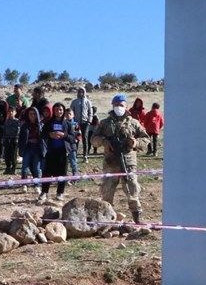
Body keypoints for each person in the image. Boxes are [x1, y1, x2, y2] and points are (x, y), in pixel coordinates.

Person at [92, 94, 149, 224]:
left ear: (126, 106)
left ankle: (137, 217)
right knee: (107, 191)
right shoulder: (105, 123)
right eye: (116, 105)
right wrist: (104, 142)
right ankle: (106, 219)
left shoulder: (134, 123)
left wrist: (135, 143)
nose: (119, 107)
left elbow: (146, 139)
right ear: (112, 106)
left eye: (121, 105)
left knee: (132, 189)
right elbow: (93, 140)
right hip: (110, 162)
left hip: (128, 162)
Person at [40, 103, 74, 202]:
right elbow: (42, 134)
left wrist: (64, 135)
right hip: (51, 151)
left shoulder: (67, 123)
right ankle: (44, 192)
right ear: (53, 111)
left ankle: (60, 193)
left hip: (63, 152)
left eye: (60, 110)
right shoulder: (49, 123)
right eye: (56, 110)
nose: (58, 112)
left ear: (63, 111)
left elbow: (72, 138)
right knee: (46, 173)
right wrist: (50, 134)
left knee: (62, 173)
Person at [19, 106, 44, 182]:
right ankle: (24, 184)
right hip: (27, 148)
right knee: (25, 167)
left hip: (37, 149)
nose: (32, 116)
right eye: (30, 114)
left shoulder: (41, 126)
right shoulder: (24, 126)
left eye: (34, 114)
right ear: (28, 115)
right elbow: (21, 138)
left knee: (36, 168)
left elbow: (44, 139)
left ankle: (37, 184)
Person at [70, 86, 93, 159]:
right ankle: (75, 154)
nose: (81, 93)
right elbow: (71, 112)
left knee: (85, 138)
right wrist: (72, 121)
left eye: (82, 91)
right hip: (76, 123)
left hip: (85, 122)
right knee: (76, 138)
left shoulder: (88, 102)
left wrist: (89, 120)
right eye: (79, 91)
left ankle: (85, 155)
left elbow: (90, 112)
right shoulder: (74, 102)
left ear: (84, 92)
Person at [2, 106, 21, 175]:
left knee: (13, 155)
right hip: (7, 139)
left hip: (14, 140)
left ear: (15, 112)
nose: (10, 113)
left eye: (12, 111)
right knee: (7, 155)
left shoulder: (17, 121)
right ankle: (7, 168)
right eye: (9, 111)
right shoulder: (6, 121)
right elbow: (4, 131)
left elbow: (18, 131)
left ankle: (13, 168)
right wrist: (3, 139)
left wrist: (16, 139)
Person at [64, 108, 79, 175]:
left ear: (73, 115)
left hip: (72, 146)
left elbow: (79, 134)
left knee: (73, 161)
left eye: (69, 114)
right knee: (65, 162)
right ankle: (64, 176)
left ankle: (75, 175)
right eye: (66, 114)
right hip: (65, 145)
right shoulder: (63, 124)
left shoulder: (75, 124)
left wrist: (76, 139)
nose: (68, 115)